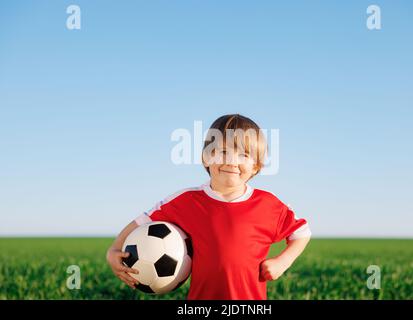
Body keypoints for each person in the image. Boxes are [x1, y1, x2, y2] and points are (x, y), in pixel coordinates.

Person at [106, 114, 311, 300]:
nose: (231, 161)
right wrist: (114, 249)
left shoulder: (268, 204)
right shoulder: (187, 201)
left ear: (256, 166)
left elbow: (301, 233)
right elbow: (142, 221)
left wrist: (283, 262)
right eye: (222, 151)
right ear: (206, 157)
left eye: (244, 155)